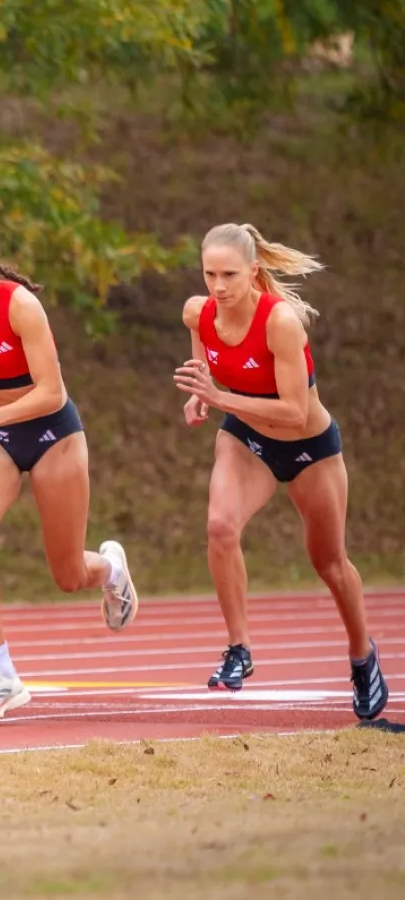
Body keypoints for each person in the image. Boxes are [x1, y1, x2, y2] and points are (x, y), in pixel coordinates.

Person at [0, 217, 138, 724]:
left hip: (53, 435)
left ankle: (110, 569)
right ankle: (4, 678)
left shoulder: (20, 306)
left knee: (68, 574)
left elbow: (51, 392)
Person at [174, 223, 387, 720]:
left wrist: (217, 397)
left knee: (330, 563)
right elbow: (204, 360)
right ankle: (239, 648)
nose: (218, 287)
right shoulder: (196, 312)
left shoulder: (281, 323)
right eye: (210, 274)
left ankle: (362, 656)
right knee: (220, 526)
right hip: (248, 440)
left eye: (229, 274)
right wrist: (197, 394)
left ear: (254, 270)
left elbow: (293, 411)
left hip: (310, 447)